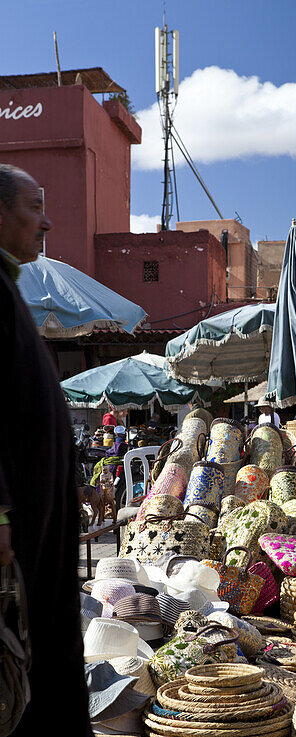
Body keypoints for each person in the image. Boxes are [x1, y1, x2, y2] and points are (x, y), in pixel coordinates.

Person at [0, 163, 92, 735]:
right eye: (35, 206)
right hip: (18, 531)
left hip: (39, 524)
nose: (47, 221)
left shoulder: (6, 286)